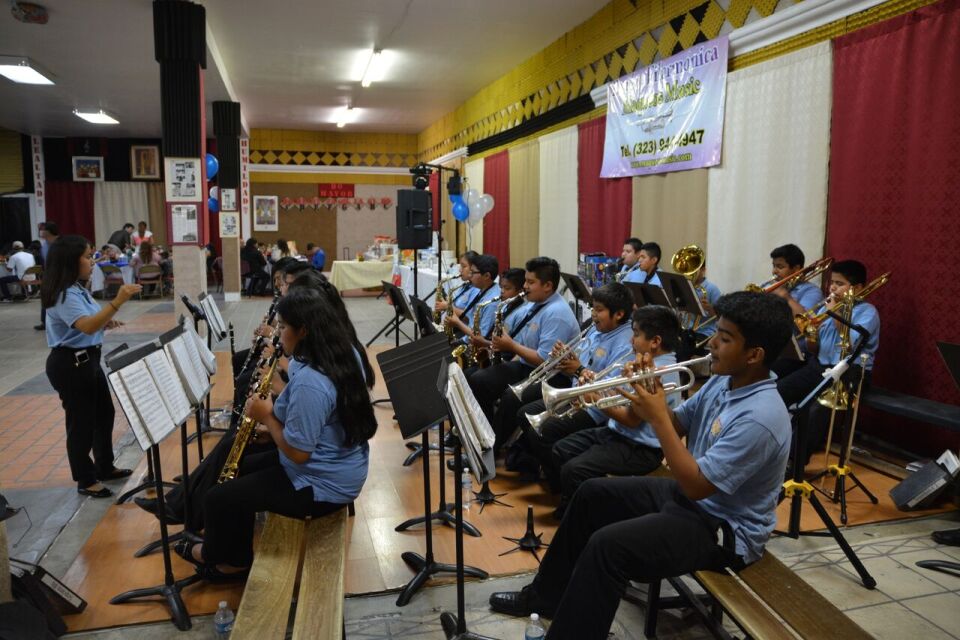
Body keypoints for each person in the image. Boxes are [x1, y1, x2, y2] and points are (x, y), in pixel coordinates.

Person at [488, 291, 794, 640]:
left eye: (724, 339)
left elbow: (696, 483)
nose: (711, 344)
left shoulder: (761, 417)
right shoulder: (725, 383)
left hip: (726, 529)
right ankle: (544, 598)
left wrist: (656, 416)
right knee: (591, 494)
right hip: (695, 500)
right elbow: (678, 423)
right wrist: (646, 393)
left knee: (608, 547)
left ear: (754, 355)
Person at [174, 288, 377, 580]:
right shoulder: (340, 354)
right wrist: (272, 432)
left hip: (323, 485)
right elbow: (318, 429)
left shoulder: (311, 382)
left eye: (283, 327)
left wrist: (267, 417)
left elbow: (299, 452)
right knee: (237, 469)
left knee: (218, 499)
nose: (278, 334)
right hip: (337, 466)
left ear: (304, 330)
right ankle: (235, 554)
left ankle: (218, 558)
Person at [550, 304, 682, 518]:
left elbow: (631, 420)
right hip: (617, 433)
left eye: (636, 334)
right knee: (561, 449)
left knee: (575, 469)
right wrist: (593, 382)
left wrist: (595, 398)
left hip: (640, 448)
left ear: (655, 341)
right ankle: (576, 505)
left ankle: (582, 518)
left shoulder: (659, 373)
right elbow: (620, 393)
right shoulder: (644, 361)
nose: (631, 340)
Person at [41, 236, 142, 498]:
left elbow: (88, 321)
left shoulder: (76, 289)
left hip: (88, 359)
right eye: (87, 256)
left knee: (104, 414)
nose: (92, 261)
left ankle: (104, 466)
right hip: (70, 365)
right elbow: (86, 325)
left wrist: (105, 322)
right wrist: (117, 302)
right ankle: (85, 480)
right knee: (81, 423)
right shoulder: (63, 293)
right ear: (70, 262)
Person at [516, 282, 636, 484]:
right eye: (593, 308)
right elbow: (579, 360)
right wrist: (564, 356)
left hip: (595, 408)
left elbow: (611, 389)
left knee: (542, 431)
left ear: (619, 314)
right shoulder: (597, 330)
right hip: (575, 394)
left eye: (599, 310)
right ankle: (549, 471)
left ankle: (559, 480)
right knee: (524, 415)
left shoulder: (625, 344)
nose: (593, 314)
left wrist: (578, 369)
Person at [467, 256, 579, 452]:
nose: (525, 286)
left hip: (552, 376)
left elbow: (546, 361)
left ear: (548, 286)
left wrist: (510, 346)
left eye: (530, 282)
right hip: (529, 367)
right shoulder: (535, 304)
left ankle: (491, 448)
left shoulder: (556, 313)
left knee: (511, 397)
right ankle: (482, 434)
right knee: (478, 380)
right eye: (526, 281)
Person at [776, 260, 881, 464]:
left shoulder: (868, 312)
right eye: (831, 282)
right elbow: (814, 349)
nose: (832, 287)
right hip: (820, 366)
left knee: (814, 411)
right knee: (779, 391)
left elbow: (850, 344)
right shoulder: (827, 307)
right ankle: (769, 447)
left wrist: (835, 313)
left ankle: (793, 463)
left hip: (850, 371)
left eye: (839, 283)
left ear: (858, 288)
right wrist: (811, 336)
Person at [444, 254, 500, 344]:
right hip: (467, 338)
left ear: (486, 276)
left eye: (473, 273)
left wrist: (457, 323)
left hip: (474, 344)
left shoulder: (492, 302)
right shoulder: (482, 289)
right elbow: (470, 319)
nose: (470, 276)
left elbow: (481, 337)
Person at [768, 244, 823, 315]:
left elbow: (805, 320)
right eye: (774, 266)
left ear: (796, 269)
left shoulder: (812, 291)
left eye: (780, 267)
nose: (774, 271)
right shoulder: (769, 285)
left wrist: (786, 297)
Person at [435, 250, 480, 318]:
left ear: (473, 268)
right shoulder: (465, 285)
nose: (460, 270)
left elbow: (468, 317)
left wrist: (447, 306)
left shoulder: (476, 290)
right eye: (460, 266)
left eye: (463, 266)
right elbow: (456, 306)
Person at [35, 221, 58, 330]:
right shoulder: (45, 245)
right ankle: (45, 322)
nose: (40, 231)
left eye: (42, 229)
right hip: (48, 275)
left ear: (48, 231)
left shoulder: (59, 244)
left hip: (59, 275)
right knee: (46, 299)